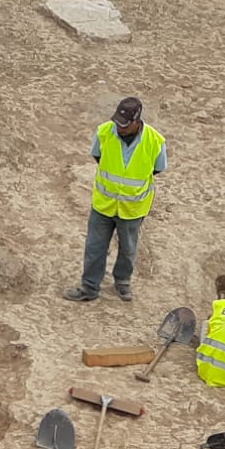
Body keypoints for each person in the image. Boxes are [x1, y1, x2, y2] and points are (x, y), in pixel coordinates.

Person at [64, 97, 166, 302]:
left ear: (137, 121)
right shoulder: (104, 132)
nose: (119, 128)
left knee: (128, 249)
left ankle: (123, 282)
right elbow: (97, 156)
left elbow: (158, 168)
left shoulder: (155, 141)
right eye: (117, 122)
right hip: (104, 204)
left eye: (124, 125)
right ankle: (90, 287)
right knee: (95, 247)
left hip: (133, 208)